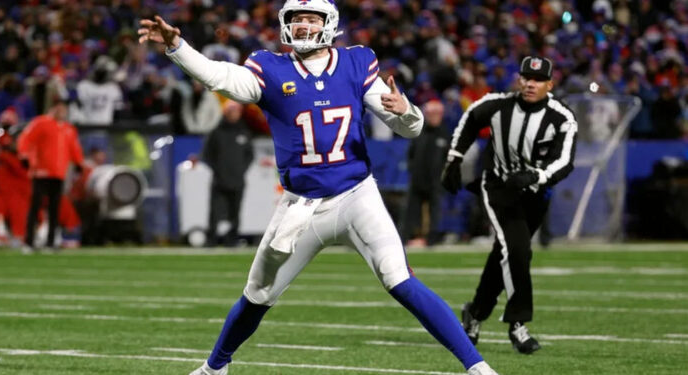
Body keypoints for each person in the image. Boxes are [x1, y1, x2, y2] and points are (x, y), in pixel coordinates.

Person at [138, 1, 498, 374]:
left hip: (356, 194)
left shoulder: (356, 63)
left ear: (329, 25)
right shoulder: (271, 68)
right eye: (297, 19)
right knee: (259, 293)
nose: (304, 26)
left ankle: (478, 368)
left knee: (398, 277)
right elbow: (218, 77)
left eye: (311, 19)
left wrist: (407, 111)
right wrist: (177, 48)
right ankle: (215, 368)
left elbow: (409, 128)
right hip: (301, 206)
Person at [441, 56, 578, 354]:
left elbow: (565, 161)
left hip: (535, 195)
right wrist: (455, 158)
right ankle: (518, 324)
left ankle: (475, 314)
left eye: (538, 80)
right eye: (526, 77)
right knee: (518, 250)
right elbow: (470, 119)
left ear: (550, 85)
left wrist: (537, 175)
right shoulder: (498, 105)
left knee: (504, 254)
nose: (530, 83)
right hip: (499, 188)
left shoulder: (561, 117)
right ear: (519, 80)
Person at [17, 99, 84, 251]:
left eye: (63, 109)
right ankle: (29, 241)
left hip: (59, 172)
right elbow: (25, 139)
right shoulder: (40, 123)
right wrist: (24, 156)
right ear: (52, 109)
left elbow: (74, 147)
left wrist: (79, 163)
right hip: (40, 171)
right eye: (59, 108)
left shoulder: (68, 129)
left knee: (55, 208)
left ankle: (50, 242)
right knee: (35, 206)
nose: (62, 112)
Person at [203, 100, 254, 247]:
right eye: (231, 111)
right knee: (215, 212)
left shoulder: (244, 132)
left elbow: (249, 156)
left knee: (235, 212)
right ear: (225, 113)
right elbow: (207, 155)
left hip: (238, 180)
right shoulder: (216, 132)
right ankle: (211, 239)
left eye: (236, 111)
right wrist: (218, 170)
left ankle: (232, 239)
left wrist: (240, 170)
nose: (234, 114)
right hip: (219, 179)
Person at [400, 99, 450, 246]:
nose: (434, 117)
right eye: (431, 114)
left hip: (435, 180)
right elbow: (411, 154)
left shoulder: (445, 135)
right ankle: (405, 237)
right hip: (418, 178)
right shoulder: (419, 133)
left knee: (435, 211)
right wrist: (412, 169)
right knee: (411, 211)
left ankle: (432, 238)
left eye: (436, 114)